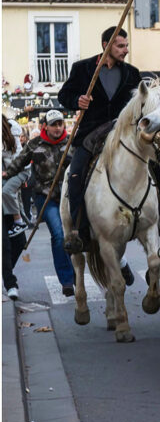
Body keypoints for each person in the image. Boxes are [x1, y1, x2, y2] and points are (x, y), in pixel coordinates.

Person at [58, 26, 142, 254]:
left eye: (126, 46)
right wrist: (78, 100)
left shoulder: (132, 73)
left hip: (122, 134)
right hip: (90, 135)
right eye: (120, 46)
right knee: (75, 176)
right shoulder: (82, 68)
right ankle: (79, 231)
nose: (125, 50)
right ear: (106, 45)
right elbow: (63, 95)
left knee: (155, 167)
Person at [3, 110, 75, 296]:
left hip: (70, 196)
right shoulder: (35, 144)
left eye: (60, 124)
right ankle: (67, 280)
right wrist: (7, 174)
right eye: (54, 124)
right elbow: (19, 161)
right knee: (58, 234)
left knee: (78, 235)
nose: (58, 128)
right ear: (45, 126)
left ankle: (118, 264)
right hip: (46, 196)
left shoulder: (72, 143)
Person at [2, 116, 27, 299]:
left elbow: (19, 160)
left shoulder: (11, 129)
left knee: (19, 241)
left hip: (9, 194)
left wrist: (10, 174)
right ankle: (10, 283)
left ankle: (6, 271)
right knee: (4, 244)